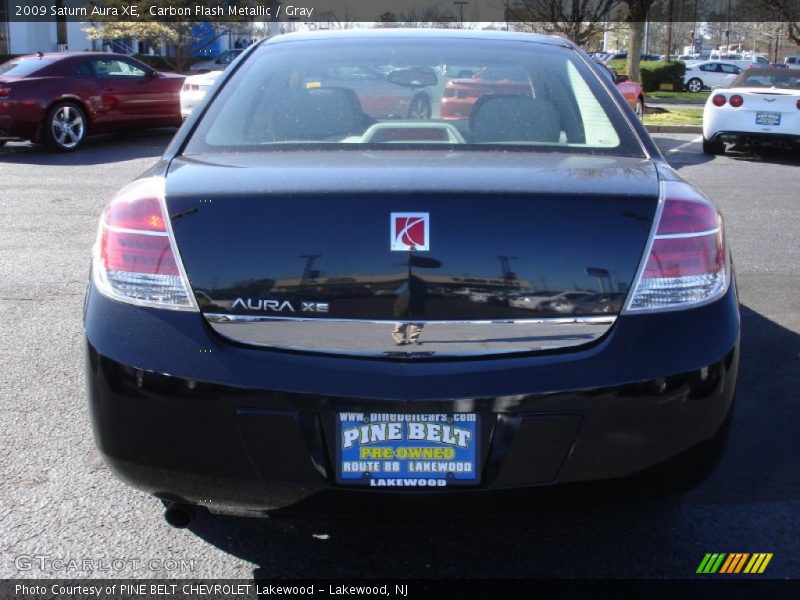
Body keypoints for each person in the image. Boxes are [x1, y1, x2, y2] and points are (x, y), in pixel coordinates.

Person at [391, 274, 427, 346]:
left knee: (416, 324)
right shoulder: (405, 285)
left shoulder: (421, 286)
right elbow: (397, 292)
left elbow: (426, 295)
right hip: (404, 305)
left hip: (417, 306)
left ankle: (413, 340)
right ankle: (400, 340)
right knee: (400, 324)